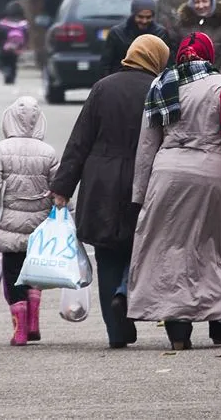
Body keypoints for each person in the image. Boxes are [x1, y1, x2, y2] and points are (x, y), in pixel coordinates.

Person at [129, 32, 221, 350]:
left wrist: (140, 192)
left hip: (168, 175)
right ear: (208, 55)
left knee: (170, 250)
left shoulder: (161, 84)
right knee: (219, 245)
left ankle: (178, 333)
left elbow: (147, 143)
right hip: (212, 176)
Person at [48, 35, 171, 348]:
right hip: (143, 180)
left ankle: (117, 332)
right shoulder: (159, 89)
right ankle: (126, 293)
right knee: (140, 249)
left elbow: (80, 140)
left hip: (101, 181)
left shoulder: (103, 87)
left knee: (107, 255)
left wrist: (62, 186)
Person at [0, 97, 60, 346]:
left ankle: (20, 331)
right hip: (40, 224)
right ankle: (34, 321)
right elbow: (59, 187)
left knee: (13, 274)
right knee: (34, 272)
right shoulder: (48, 152)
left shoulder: (1, 149)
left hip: (10, 224)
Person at [101, 0, 174, 76]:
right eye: (140, 17)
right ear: (133, 15)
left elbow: (168, 63)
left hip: (151, 80)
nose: (144, 21)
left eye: (148, 17)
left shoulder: (161, 33)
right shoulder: (117, 33)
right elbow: (106, 64)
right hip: (122, 79)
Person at [0, 1, 29, 85]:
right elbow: (26, 36)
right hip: (17, 47)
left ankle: (6, 71)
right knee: (13, 63)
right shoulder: (23, 24)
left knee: (3, 61)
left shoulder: (2, 23)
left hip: (5, 47)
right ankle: (12, 78)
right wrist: (24, 45)